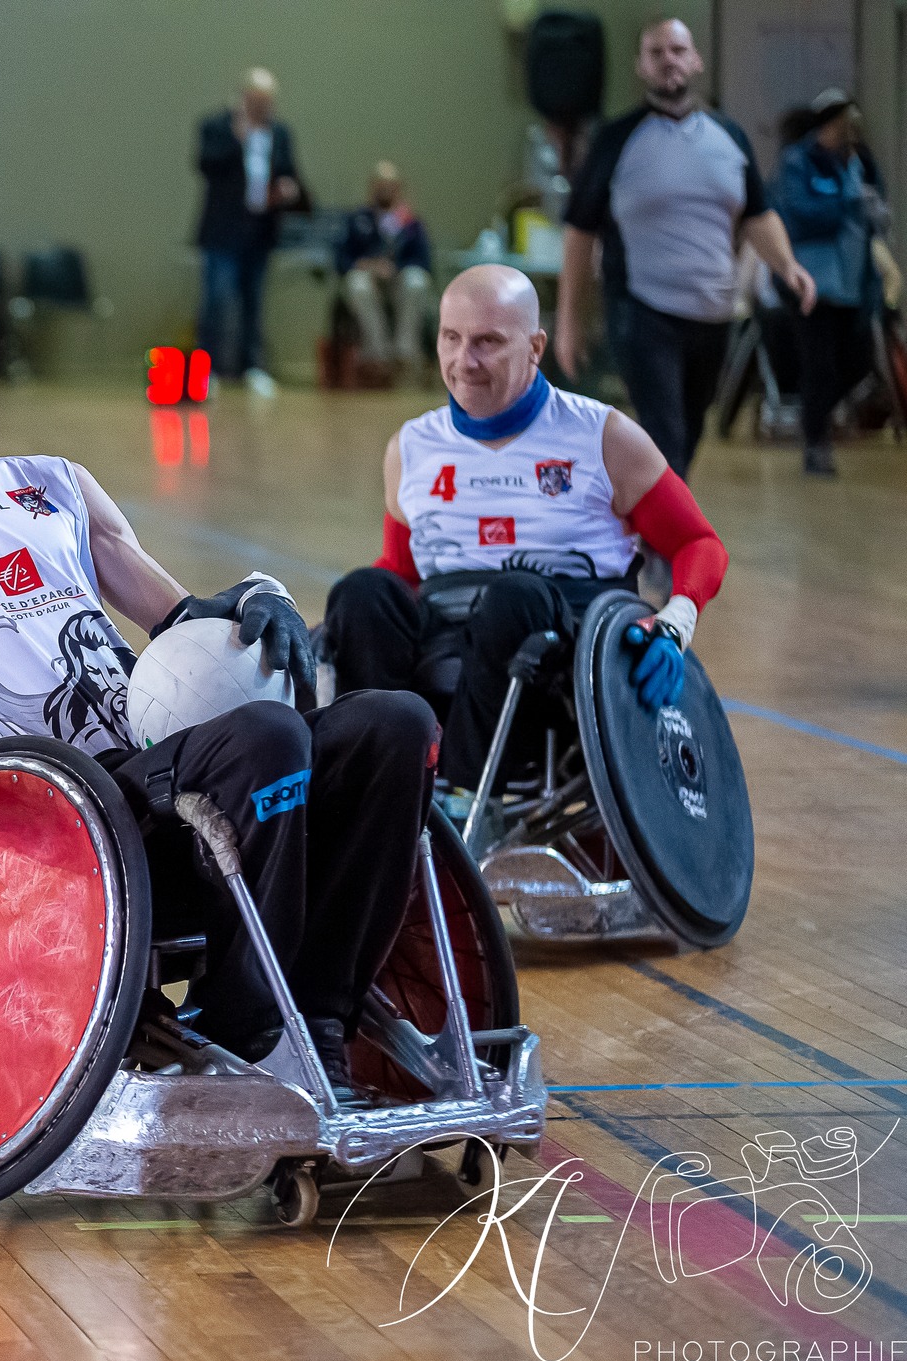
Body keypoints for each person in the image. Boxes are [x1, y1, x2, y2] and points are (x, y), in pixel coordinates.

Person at [0, 260, 439, 1100]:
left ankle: (315, 1021)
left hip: (169, 774)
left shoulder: (52, 483)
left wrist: (254, 602)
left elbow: (180, 621)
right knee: (268, 739)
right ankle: (249, 1027)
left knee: (396, 723)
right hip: (58, 825)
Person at [322, 266, 729, 804]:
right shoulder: (411, 447)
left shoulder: (603, 437)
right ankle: (380, 787)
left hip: (559, 639)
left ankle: (464, 793)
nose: (465, 361)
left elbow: (698, 544)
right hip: (449, 625)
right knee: (360, 592)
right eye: (451, 338)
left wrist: (677, 618)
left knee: (512, 596)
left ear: (536, 346)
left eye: (488, 342)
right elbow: (400, 571)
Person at [558, 17, 816, 479]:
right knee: (666, 434)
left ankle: (646, 526)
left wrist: (788, 265)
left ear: (695, 60)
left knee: (690, 434)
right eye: (655, 53)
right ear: (640, 66)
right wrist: (568, 322)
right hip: (639, 311)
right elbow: (580, 233)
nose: (668, 62)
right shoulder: (615, 140)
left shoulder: (729, 138)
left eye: (677, 51)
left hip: (711, 313)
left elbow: (758, 215)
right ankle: (666, 547)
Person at [776, 89, 890, 477]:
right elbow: (799, 213)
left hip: (854, 282)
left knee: (857, 361)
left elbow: (879, 209)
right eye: (845, 123)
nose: (852, 131)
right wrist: (847, 202)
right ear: (828, 124)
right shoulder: (798, 161)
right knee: (819, 365)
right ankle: (815, 444)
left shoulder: (861, 160)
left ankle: (818, 419)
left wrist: (874, 209)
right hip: (813, 282)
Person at [193, 67, 304, 398]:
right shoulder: (216, 126)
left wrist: (287, 188)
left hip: (260, 232)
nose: (263, 107)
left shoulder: (280, 133)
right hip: (222, 233)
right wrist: (237, 139)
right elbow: (205, 165)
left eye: (268, 101)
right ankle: (206, 371)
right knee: (216, 301)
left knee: (252, 303)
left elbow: (289, 171)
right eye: (257, 100)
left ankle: (252, 367)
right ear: (244, 97)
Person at [336, 161, 433, 382]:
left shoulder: (411, 223)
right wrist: (367, 265)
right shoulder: (358, 219)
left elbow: (424, 262)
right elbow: (341, 259)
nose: (385, 189)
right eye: (381, 184)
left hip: (398, 284)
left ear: (399, 187)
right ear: (372, 186)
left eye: (390, 184)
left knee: (416, 280)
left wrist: (396, 269)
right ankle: (377, 355)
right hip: (368, 284)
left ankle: (404, 354)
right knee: (357, 283)